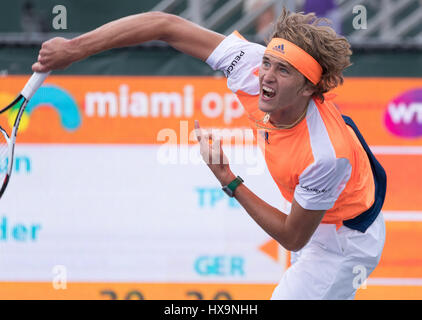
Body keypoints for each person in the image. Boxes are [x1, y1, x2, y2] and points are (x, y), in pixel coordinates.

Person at [32, 8, 386, 300]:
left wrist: (227, 178)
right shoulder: (252, 70)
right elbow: (165, 25)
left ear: (309, 87)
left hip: (342, 245)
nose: (267, 75)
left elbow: (294, 237)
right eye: (267, 63)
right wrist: (76, 48)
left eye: (284, 70)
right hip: (320, 216)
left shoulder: (324, 153)